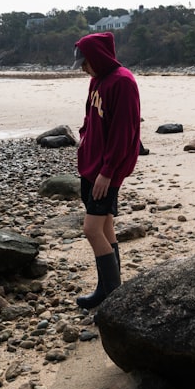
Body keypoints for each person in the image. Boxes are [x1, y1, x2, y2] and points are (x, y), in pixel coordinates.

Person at [73, 32, 141, 309]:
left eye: (85, 62)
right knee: (106, 225)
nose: (82, 68)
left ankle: (112, 295)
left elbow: (124, 132)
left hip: (106, 170)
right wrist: (83, 140)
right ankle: (107, 288)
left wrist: (108, 171)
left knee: (91, 229)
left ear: (97, 57)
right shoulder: (96, 81)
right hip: (90, 164)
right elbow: (90, 119)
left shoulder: (123, 82)